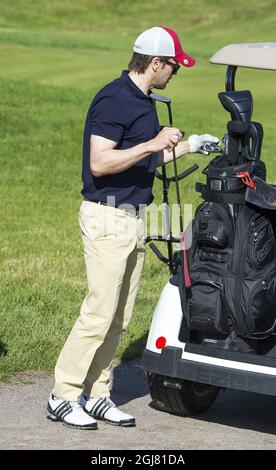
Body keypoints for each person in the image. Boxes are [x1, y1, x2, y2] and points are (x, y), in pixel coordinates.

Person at [47, 26, 220, 430]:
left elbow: (144, 159)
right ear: (155, 63)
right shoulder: (114, 99)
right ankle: (63, 395)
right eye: (174, 67)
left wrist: (191, 143)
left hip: (133, 217)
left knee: (120, 316)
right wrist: (151, 143)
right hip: (106, 216)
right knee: (98, 312)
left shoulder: (144, 102)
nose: (176, 73)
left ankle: (97, 393)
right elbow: (100, 163)